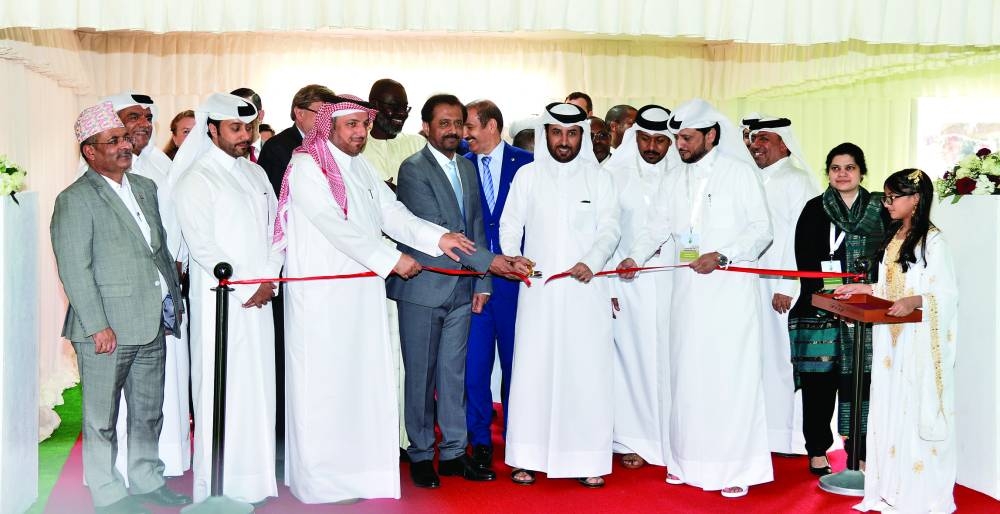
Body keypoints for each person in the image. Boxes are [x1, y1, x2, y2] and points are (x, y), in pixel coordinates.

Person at [276, 95, 476, 502]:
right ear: (328, 126)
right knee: (326, 387)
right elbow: (336, 227)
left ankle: (355, 474)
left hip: (360, 295)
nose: (359, 132)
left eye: (363, 125)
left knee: (359, 383)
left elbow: (393, 213)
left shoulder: (360, 166)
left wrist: (438, 238)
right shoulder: (306, 167)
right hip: (322, 299)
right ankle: (322, 482)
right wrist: (391, 259)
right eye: (350, 125)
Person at [619, 98, 773, 498]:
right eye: (678, 137)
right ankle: (686, 461)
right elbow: (657, 229)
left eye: (686, 138)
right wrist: (634, 256)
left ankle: (736, 468)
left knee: (728, 380)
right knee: (686, 378)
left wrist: (723, 255)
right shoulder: (676, 179)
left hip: (728, 297)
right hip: (686, 296)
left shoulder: (739, 173)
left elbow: (762, 230)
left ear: (711, 135)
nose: (680, 145)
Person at [52, 101, 188, 514]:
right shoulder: (75, 199)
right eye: (113, 140)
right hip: (105, 329)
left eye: (125, 138)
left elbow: (158, 252)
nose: (125, 145)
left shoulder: (145, 188)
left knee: (148, 413)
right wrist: (97, 326)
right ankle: (108, 492)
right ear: (90, 152)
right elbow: (75, 268)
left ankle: (147, 479)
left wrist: (172, 305)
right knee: (100, 419)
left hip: (150, 321)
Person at [389, 94, 531, 488]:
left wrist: (483, 281)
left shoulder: (466, 168)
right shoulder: (413, 169)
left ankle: (452, 453)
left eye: (458, 123)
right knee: (422, 376)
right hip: (423, 287)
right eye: (445, 124)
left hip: (464, 289)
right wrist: (494, 264)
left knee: (455, 375)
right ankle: (420, 454)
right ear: (427, 128)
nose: (453, 131)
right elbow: (442, 231)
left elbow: (476, 226)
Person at [501, 102, 621, 488]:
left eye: (572, 134)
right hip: (538, 293)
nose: (564, 142)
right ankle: (526, 457)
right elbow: (509, 223)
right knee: (533, 373)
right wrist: (512, 257)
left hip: (585, 291)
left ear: (581, 136)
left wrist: (593, 259)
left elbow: (610, 229)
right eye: (557, 133)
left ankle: (587, 458)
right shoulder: (527, 175)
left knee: (585, 373)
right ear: (546, 134)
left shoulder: (599, 179)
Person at [172, 92, 281, 505]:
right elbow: (202, 246)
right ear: (212, 129)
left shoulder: (254, 175)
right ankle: (217, 488)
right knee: (223, 390)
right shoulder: (197, 178)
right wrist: (245, 284)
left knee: (258, 389)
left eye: (249, 128)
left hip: (261, 298)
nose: (245, 136)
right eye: (235, 128)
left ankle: (254, 482)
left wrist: (269, 276)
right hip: (223, 302)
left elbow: (276, 231)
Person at [836, 169, 958, 513]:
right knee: (890, 408)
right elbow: (893, 287)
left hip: (916, 340)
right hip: (892, 341)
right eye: (886, 197)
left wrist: (917, 301)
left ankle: (920, 495)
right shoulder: (896, 236)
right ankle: (891, 487)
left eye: (892, 198)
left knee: (911, 408)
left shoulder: (934, 240)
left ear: (915, 199)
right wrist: (865, 288)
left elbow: (945, 293)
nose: (886, 204)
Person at [101, 91, 191, 485]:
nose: (144, 123)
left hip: (166, 294)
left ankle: (158, 469)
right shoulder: (96, 172)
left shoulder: (159, 162)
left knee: (160, 391)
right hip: (122, 303)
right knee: (117, 400)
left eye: (148, 117)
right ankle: (116, 476)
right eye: (133, 116)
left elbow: (176, 224)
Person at [789, 142, 888, 475]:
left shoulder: (880, 208)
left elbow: (890, 258)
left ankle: (857, 450)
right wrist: (830, 296)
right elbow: (804, 259)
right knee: (818, 385)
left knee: (862, 383)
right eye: (835, 168)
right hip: (820, 311)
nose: (842, 174)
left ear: (861, 172)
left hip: (866, 310)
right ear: (828, 173)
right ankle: (817, 449)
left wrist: (866, 289)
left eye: (849, 168)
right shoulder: (814, 209)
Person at [254, 83, 337, 454]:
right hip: (291, 265)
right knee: (287, 351)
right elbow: (278, 212)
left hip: (325, 269)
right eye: (320, 111)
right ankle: (284, 437)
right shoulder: (280, 148)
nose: (326, 119)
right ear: (298, 113)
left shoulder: (329, 147)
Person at [461, 99, 534, 469]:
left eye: (470, 126)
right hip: (474, 281)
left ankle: (518, 437)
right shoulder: (461, 165)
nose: (464, 134)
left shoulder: (528, 163)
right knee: (474, 367)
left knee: (516, 364)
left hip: (516, 284)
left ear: (491, 126)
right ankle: (480, 439)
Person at [605, 104, 675, 472]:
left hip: (673, 283)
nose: (652, 147)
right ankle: (632, 438)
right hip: (626, 285)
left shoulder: (684, 173)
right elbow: (603, 233)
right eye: (645, 139)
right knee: (633, 362)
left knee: (669, 360)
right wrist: (610, 286)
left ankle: (668, 437)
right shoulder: (613, 175)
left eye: (661, 140)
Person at [746, 116, 818, 456]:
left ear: (784, 144)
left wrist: (788, 285)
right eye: (754, 139)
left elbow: (801, 239)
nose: (756, 145)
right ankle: (759, 431)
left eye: (764, 139)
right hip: (750, 284)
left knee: (779, 361)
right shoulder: (752, 178)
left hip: (779, 285)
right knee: (755, 358)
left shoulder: (796, 180)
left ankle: (783, 437)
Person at [363, 78, 427, 187]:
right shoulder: (358, 147)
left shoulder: (418, 143)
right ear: (374, 105)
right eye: (394, 106)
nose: (403, 113)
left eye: (405, 107)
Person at [230, 87, 264, 162]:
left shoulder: (276, 151)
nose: (240, 120)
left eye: (246, 113)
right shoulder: (224, 154)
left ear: (260, 116)